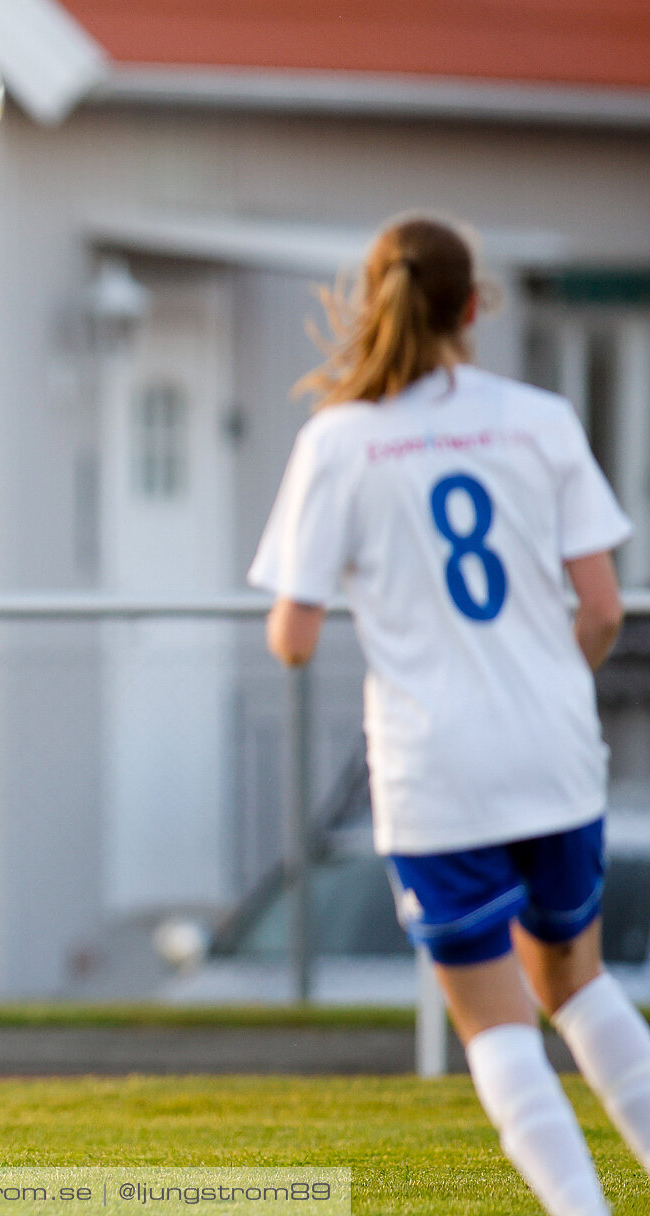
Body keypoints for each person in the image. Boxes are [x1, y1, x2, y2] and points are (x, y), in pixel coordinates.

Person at [251, 215, 650, 1216]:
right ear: (475, 307)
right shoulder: (540, 418)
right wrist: (547, 681)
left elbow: (294, 638)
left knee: (498, 1025)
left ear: (372, 302)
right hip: (555, 748)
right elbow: (601, 607)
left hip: (440, 768)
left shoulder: (338, 441)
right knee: (582, 984)